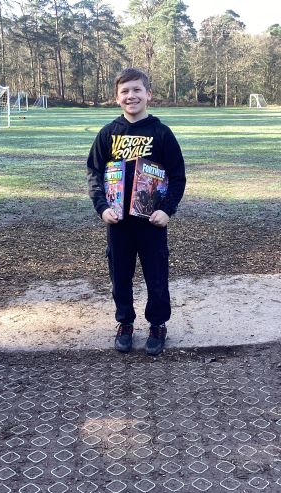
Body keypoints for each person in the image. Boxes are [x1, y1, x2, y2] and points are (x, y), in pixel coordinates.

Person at [87, 67, 186, 355]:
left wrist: (167, 210)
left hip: (152, 222)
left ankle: (157, 325)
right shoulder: (108, 134)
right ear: (117, 97)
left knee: (156, 275)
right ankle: (125, 323)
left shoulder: (161, 133)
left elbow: (178, 176)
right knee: (120, 276)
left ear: (148, 94)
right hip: (119, 223)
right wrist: (102, 208)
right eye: (125, 91)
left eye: (137, 90)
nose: (131, 96)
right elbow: (94, 173)